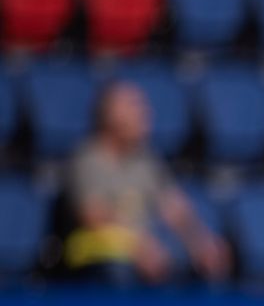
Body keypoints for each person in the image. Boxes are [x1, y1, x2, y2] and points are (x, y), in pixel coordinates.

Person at [63, 81, 230, 286]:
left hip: (146, 249)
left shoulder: (146, 159)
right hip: (102, 252)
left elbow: (175, 208)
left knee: (191, 260)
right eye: (134, 105)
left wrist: (201, 243)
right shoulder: (88, 159)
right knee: (120, 269)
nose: (146, 112)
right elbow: (94, 216)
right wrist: (139, 246)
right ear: (108, 114)